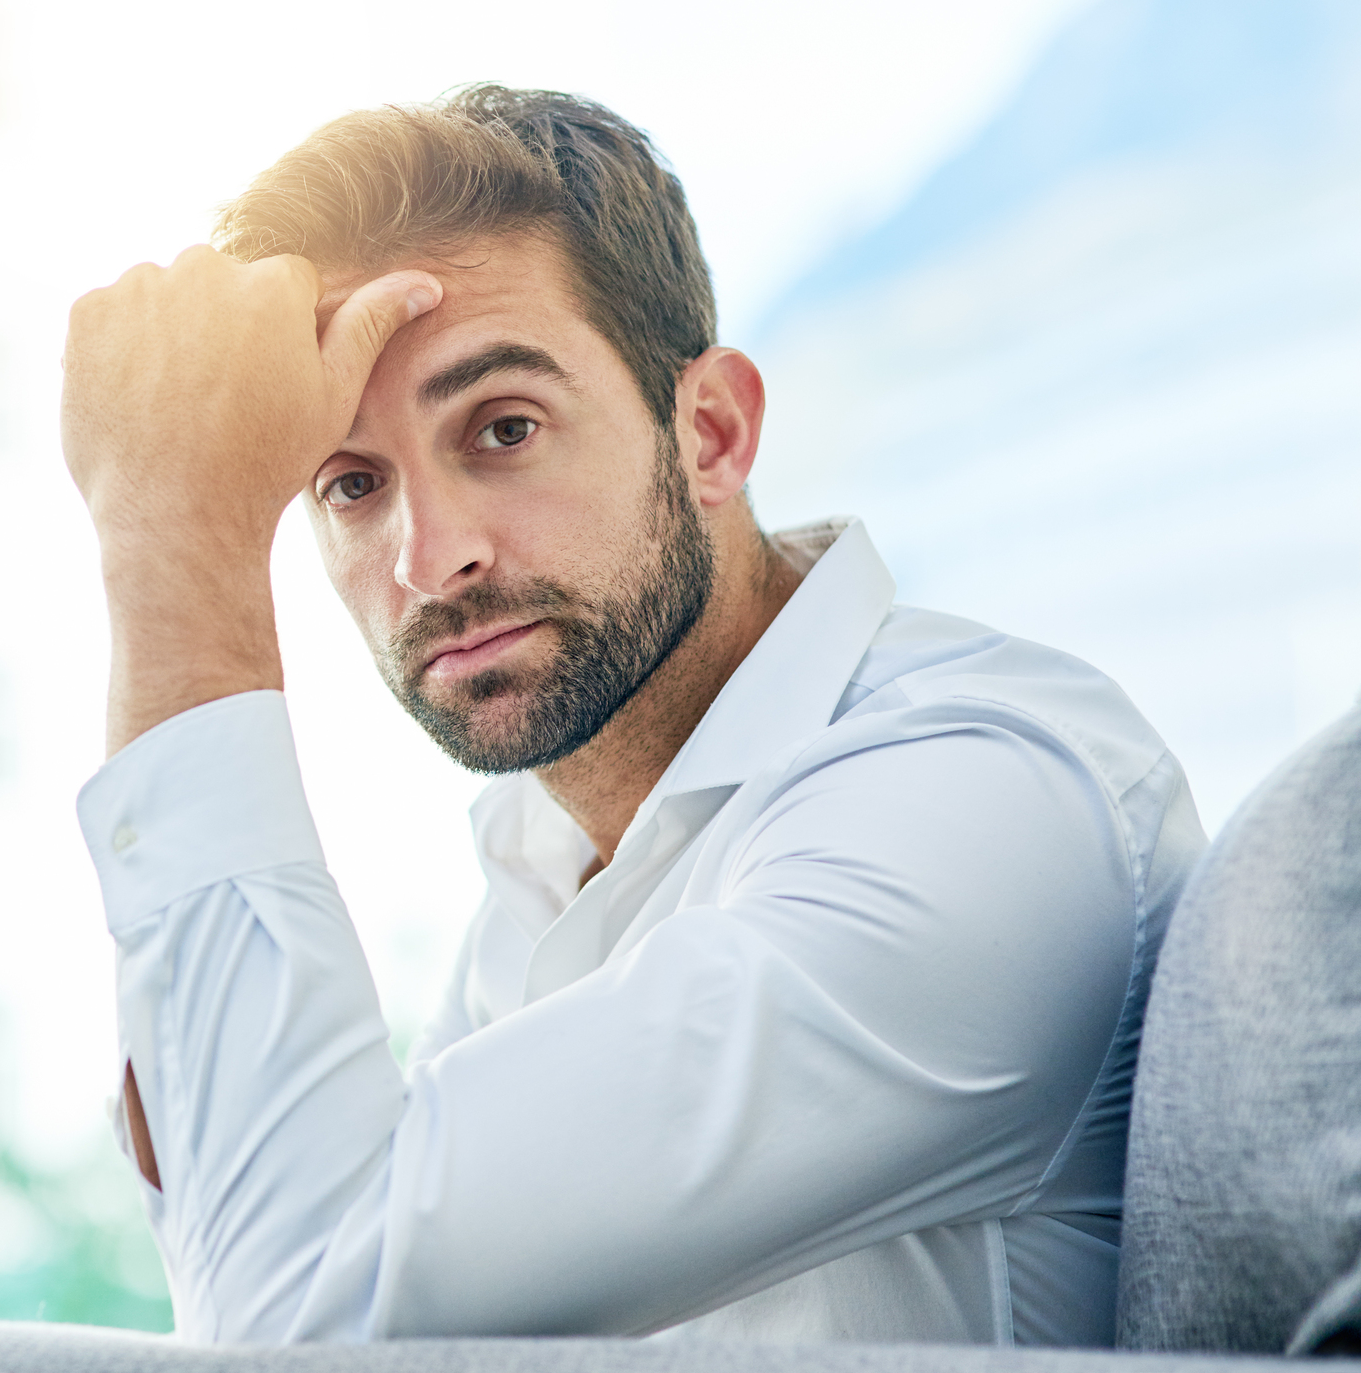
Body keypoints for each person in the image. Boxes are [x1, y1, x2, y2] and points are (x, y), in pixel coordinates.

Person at [59, 87, 1205, 1347]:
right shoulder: (542, 857)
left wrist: (171, 531)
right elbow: (287, 1272)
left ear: (710, 432)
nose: (426, 555)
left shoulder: (977, 799)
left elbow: (306, 1306)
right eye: (348, 483)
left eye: (501, 428)